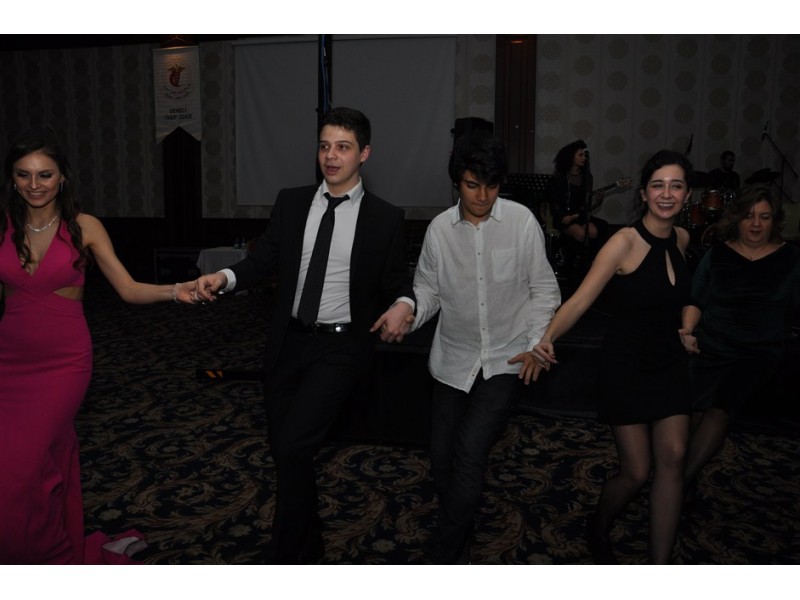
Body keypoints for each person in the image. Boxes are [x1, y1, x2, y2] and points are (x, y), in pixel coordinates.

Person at [193, 107, 414, 564]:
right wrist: (225, 278)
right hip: (287, 345)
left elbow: (397, 283)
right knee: (285, 453)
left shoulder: (385, 218)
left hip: (339, 349)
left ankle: (283, 556)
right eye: (324, 146)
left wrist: (404, 305)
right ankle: (307, 549)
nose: (331, 156)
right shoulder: (292, 203)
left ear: (364, 154)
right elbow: (262, 262)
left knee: (295, 445)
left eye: (343, 147)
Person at [0, 126, 195, 564]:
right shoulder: (2, 226)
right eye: (23, 174)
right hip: (8, 360)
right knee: (14, 463)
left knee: (24, 464)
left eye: (45, 175)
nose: (34, 184)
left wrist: (175, 290)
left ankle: (48, 556)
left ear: (62, 177)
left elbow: (127, 289)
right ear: (12, 178)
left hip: (63, 363)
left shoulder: (83, 226)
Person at [531, 149, 696, 564]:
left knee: (674, 457)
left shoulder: (682, 239)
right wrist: (547, 337)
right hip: (626, 366)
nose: (666, 193)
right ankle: (599, 524)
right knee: (637, 472)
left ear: (687, 195)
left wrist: (687, 327)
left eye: (676, 186)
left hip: (670, 362)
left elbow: (681, 299)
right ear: (643, 193)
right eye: (658, 185)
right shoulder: (623, 242)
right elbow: (580, 300)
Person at [406, 130, 560, 564]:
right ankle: (461, 522)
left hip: (506, 359)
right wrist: (409, 313)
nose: (482, 196)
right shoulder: (439, 230)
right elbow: (428, 292)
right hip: (452, 360)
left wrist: (536, 344)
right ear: (457, 181)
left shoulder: (521, 221)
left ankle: (445, 553)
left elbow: (544, 290)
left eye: (491, 186)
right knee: (442, 460)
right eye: (472, 185)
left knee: (470, 452)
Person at [681, 187, 800, 503]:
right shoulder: (718, 254)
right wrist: (688, 331)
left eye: (764, 217)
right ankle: (683, 478)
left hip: (758, 352)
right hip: (711, 346)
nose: (756, 224)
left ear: (774, 221)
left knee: (719, 411)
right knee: (692, 413)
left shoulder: (790, 258)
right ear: (737, 219)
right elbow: (696, 299)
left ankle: (676, 485)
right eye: (749, 216)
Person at [547, 139, 609, 254]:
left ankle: (589, 261)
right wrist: (563, 216)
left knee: (594, 232)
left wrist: (598, 201)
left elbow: (586, 205)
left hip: (579, 216)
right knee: (581, 234)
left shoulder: (587, 177)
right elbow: (553, 202)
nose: (584, 158)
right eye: (580, 155)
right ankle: (571, 259)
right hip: (563, 217)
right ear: (571, 157)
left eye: (585, 155)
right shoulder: (559, 177)